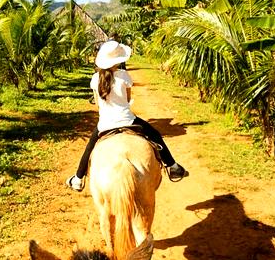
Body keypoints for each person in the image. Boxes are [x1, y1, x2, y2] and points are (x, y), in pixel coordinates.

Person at [66, 40, 188, 192]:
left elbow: (98, 105)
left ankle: (78, 179)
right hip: (128, 120)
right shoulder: (124, 76)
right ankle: (173, 166)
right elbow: (128, 100)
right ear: (118, 60)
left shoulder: (95, 79)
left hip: (105, 124)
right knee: (155, 134)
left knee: (89, 148)